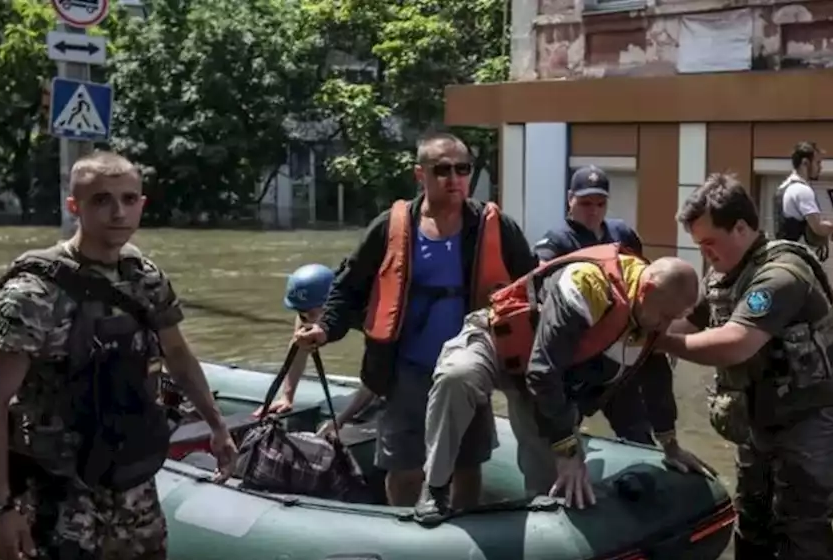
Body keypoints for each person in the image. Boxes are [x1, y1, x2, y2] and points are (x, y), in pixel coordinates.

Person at [0, 151, 238, 560]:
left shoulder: (144, 278)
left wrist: (216, 425)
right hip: (59, 484)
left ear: (142, 202)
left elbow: (180, 355)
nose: (117, 211)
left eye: (128, 199)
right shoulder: (33, 294)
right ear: (75, 206)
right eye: (101, 200)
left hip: (130, 474)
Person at [660, 173, 833, 560]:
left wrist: (662, 341)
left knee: (804, 528)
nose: (705, 254)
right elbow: (697, 316)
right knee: (753, 514)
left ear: (744, 227)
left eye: (710, 242)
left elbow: (733, 343)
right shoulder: (729, 269)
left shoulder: (781, 275)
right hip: (765, 416)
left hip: (814, 417)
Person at [293, 131, 536, 510]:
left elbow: (531, 285)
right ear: (419, 175)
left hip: (469, 367)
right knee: (404, 467)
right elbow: (348, 285)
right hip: (405, 367)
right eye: (441, 170)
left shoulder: (494, 226)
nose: (453, 178)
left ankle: (463, 530)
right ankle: (405, 528)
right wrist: (326, 329)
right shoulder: (391, 226)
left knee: (467, 464)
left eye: (462, 169)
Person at [414, 244, 712, 520]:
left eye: (671, 319)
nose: (664, 326)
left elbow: (656, 382)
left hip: (547, 386)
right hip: (500, 345)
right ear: (646, 289)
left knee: (557, 491)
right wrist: (567, 450)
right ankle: (436, 485)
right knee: (457, 375)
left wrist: (670, 445)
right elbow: (543, 370)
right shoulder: (588, 284)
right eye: (664, 316)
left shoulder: (650, 316)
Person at [535, 165, 656, 445]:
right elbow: (541, 290)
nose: (593, 211)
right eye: (585, 203)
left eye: (600, 204)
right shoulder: (556, 241)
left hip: (619, 351)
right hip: (578, 355)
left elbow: (641, 278)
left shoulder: (622, 233)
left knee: (638, 430)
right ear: (570, 199)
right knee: (563, 429)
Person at [258, 263, 377, 430]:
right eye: (302, 313)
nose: (308, 320)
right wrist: (286, 397)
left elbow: (375, 373)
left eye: (312, 314)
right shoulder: (308, 309)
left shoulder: (370, 312)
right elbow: (298, 347)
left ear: (330, 304)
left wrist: (340, 420)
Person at [772, 141, 833, 261]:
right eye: (817, 163)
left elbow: (808, 226)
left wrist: (832, 228)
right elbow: (818, 228)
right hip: (797, 260)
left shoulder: (783, 187)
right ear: (805, 163)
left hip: (781, 255)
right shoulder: (802, 190)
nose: (820, 167)